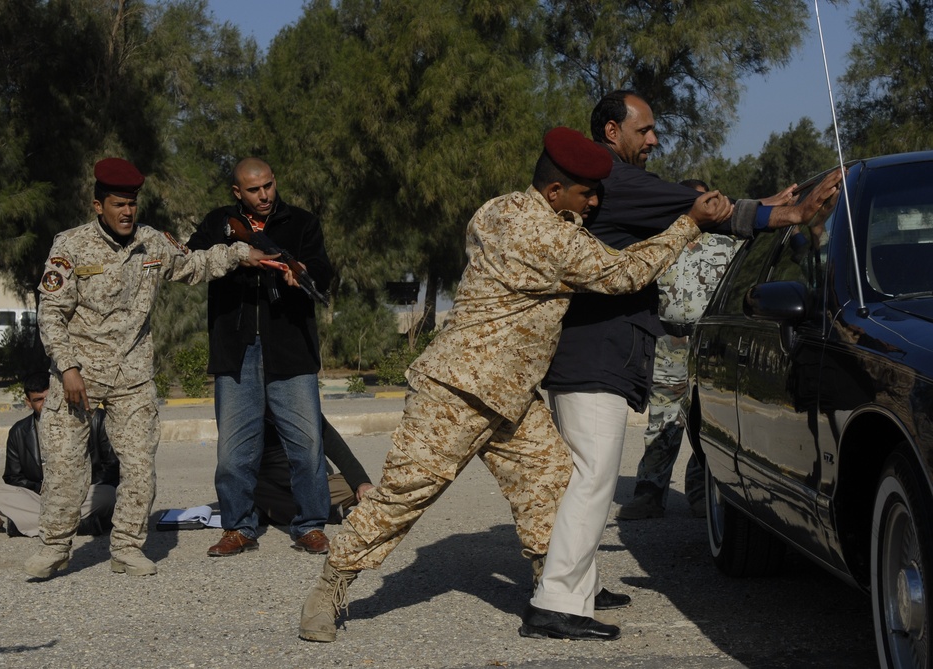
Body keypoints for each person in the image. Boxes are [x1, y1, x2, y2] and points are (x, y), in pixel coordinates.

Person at [298, 126, 734, 644]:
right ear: (554, 193)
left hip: (510, 394)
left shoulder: (498, 209)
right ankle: (330, 588)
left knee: (552, 477)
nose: (595, 201)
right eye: (586, 193)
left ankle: (560, 592)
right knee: (404, 496)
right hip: (457, 390)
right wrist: (687, 224)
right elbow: (623, 274)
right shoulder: (547, 236)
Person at [529, 91, 844, 635]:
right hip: (595, 359)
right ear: (611, 131)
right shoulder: (620, 183)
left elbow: (694, 206)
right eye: (644, 129)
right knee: (592, 480)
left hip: (588, 356)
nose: (653, 139)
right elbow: (691, 207)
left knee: (581, 480)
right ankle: (556, 603)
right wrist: (787, 213)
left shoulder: (613, 188)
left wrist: (758, 205)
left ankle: (575, 587)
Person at [24, 157, 271, 580]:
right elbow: (51, 313)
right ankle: (54, 547)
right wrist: (66, 368)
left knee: (139, 467)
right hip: (78, 375)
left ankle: (127, 547)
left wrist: (238, 253)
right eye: (118, 204)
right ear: (98, 205)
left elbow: (193, 265)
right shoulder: (71, 246)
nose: (127, 212)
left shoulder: (152, 243)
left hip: (132, 376)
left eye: (132, 204)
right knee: (66, 466)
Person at [186, 157, 334, 559]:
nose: (265, 195)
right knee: (234, 451)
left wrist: (302, 270)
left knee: (306, 445)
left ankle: (311, 525)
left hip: (290, 349)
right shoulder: (219, 221)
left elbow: (323, 267)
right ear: (238, 192)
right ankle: (238, 527)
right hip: (235, 351)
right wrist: (237, 254)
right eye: (254, 190)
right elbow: (192, 259)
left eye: (268, 185)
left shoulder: (301, 222)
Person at [616, 179, 743, 521]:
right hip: (669, 343)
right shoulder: (661, 244)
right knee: (662, 419)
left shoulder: (729, 244)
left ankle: (703, 491)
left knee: (710, 419)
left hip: (712, 345)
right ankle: (649, 495)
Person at [0, 372, 120, 537]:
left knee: (108, 495)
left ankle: (33, 525)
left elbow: (112, 467)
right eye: (38, 400)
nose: (46, 404)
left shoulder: (95, 419)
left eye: (49, 397)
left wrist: (78, 488)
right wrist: (43, 490)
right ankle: (79, 525)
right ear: (28, 403)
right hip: (42, 498)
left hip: (84, 494)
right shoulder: (19, 432)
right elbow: (13, 478)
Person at [255, 415, 373, 527]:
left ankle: (272, 513)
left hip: (305, 483)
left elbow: (334, 444)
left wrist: (362, 482)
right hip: (266, 484)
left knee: (351, 489)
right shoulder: (247, 405)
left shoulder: (301, 404)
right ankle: (317, 513)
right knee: (247, 489)